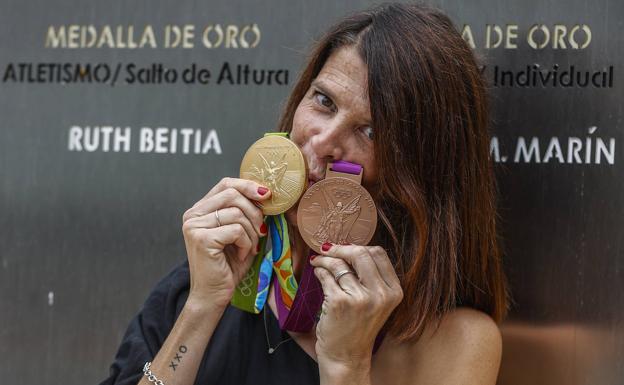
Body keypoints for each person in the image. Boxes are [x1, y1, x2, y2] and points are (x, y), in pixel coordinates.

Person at [100, 3, 509, 385]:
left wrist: (346, 367)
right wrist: (204, 306)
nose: (324, 140)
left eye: (371, 131)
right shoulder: (217, 271)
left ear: (423, 170)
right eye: (324, 101)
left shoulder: (456, 339)